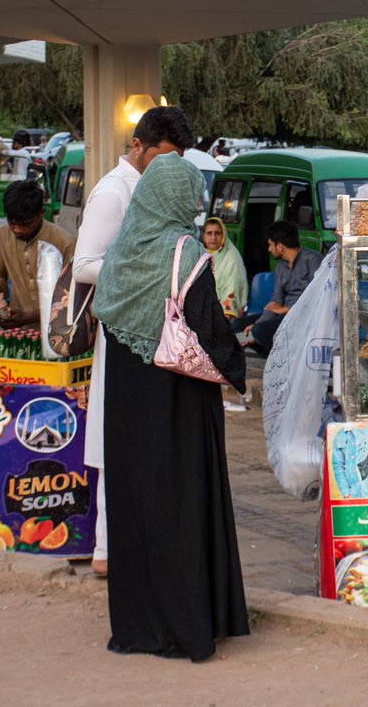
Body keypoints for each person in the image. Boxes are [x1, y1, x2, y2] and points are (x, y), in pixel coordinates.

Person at [92, 152, 248, 661]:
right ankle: (188, 627)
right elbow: (210, 332)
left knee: (136, 505)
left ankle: (138, 628)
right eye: (193, 194)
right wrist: (239, 370)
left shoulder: (118, 254)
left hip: (126, 406)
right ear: (179, 197)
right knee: (181, 503)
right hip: (178, 406)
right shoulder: (183, 252)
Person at [73, 106, 195, 579]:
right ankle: (107, 550)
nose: (171, 171)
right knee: (114, 443)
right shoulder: (113, 191)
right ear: (138, 147)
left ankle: (123, 547)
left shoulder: (152, 188)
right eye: (163, 158)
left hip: (153, 335)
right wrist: (148, 274)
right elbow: (84, 264)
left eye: (178, 162)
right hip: (121, 332)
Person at [0, 180, 75, 329]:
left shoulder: (64, 242)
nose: (18, 230)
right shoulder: (1, 235)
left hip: (58, 330)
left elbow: (71, 298)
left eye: (25, 224)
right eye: (12, 223)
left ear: (42, 213)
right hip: (20, 332)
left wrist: (29, 317)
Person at [241, 221, 323, 357]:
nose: (268, 249)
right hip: (283, 317)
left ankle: (289, 359)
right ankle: (276, 360)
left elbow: (319, 296)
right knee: (238, 327)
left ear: (279, 246)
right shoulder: (280, 268)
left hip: (305, 317)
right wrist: (256, 324)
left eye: (270, 245)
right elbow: (275, 302)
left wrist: (287, 310)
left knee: (260, 331)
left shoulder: (313, 260)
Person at [202, 216, 248, 318]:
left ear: (223, 235)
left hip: (223, 315)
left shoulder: (232, 258)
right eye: (209, 233)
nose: (213, 238)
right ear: (203, 236)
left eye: (217, 233)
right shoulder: (199, 255)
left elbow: (233, 288)